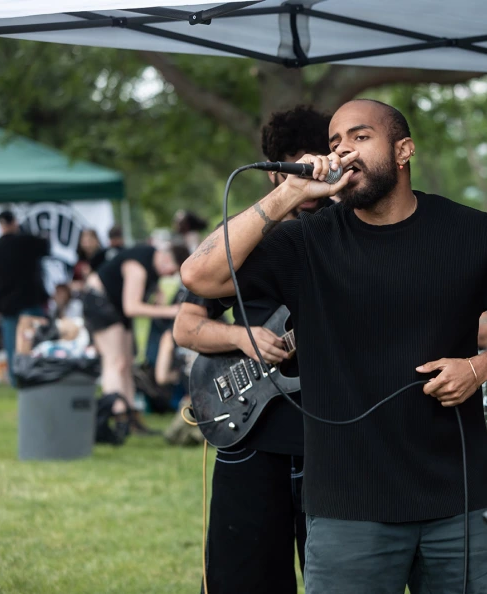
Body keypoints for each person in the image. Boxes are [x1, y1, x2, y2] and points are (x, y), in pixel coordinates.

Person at [180, 98, 487, 593]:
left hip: (459, 500)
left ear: (404, 149)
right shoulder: (307, 241)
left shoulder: (470, 231)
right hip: (348, 509)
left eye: (360, 137)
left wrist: (482, 366)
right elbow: (198, 274)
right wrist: (288, 194)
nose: (343, 149)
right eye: (335, 143)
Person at [172, 106, 334, 594]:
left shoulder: (355, 233)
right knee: (242, 576)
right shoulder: (247, 241)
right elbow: (186, 326)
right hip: (251, 434)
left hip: (332, 444)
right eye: (288, 164)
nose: (301, 175)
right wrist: (242, 337)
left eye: (311, 161)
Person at [81, 242, 187, 437]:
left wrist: (156, 293)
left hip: (116, 308)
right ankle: (115, 415)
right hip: (99, 302)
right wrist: (170, 311)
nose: (171, 276)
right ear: (166, 259)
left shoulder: (154, 266)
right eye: (173, 271)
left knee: (127, 363)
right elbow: (132, 306)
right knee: (116, 362)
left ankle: (130, 418)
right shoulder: (138, 266)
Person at [0, 210, 50, 385]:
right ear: (14, 223)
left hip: (7, 303)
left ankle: (16, 378)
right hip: (28, 299)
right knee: (35, 339)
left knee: (12, 345)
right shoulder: (26, 241)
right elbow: (45, 246)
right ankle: (38, 372)